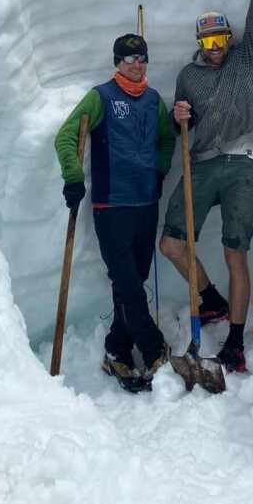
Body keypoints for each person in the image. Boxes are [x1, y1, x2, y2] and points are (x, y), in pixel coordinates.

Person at [159, 0, 253, 374]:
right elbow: (178, 125)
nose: (215, 45)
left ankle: (236, 343)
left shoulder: (246, 59)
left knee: (234, 252)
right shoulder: (188, 76)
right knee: (171, 244)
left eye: (221, 37)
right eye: (208, 39)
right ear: (199, 42)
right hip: (202, 164)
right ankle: (210, 299)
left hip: (244, 161)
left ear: (229, 38)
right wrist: (178, 115)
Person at [55, 33, 176, 392]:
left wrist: (160, 170)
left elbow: (166, 139)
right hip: (112, 205)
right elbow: (65, 136)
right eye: (129, 59)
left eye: (141, 59)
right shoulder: (101, 97)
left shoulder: (153, 100)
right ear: (117, 63)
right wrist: (73, 177)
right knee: (127, 282)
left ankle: (117, 349)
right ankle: (155, 350)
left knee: (133, 282)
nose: (136, 65)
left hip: (146, 204)